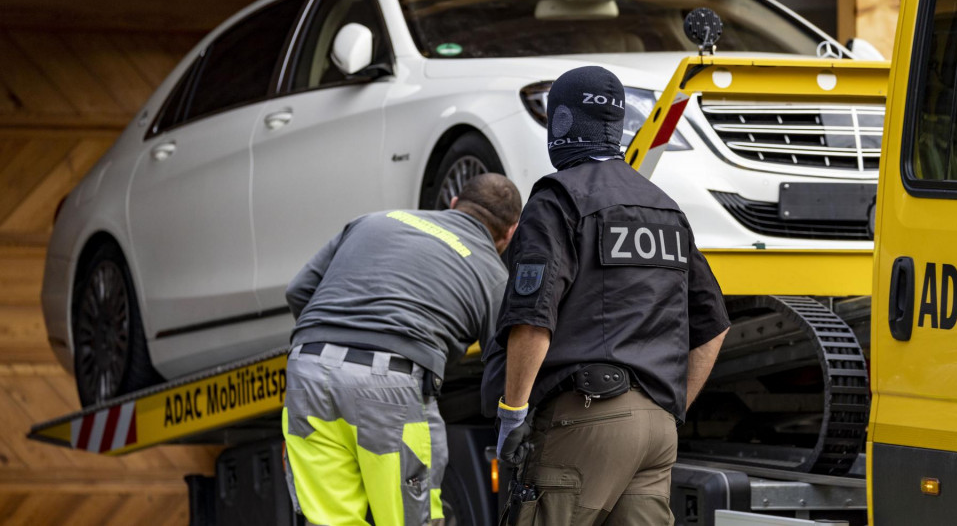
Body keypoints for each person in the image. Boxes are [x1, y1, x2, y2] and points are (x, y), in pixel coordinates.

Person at [482, 65, 731, 525]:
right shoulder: (663, 207)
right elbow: (713, 326)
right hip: (657, 430)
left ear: (563, 122)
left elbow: (534, 318)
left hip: (584, 419)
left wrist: (512, 413)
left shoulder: (557, 199)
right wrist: (671, 409)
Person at [282, 173, 522, 526]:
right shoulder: (493, 275)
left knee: (327, 520)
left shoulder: (374, 220)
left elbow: (298, 290)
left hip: (308, 368)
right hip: (390, 383)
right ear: (511, 232)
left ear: (453, 203)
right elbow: (501, 364)